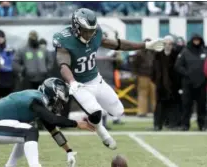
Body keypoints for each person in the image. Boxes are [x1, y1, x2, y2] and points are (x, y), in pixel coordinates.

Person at [53, 8, 164, 149]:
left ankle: (100, 124)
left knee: (118, 111)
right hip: (78, 84)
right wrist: (72, 82)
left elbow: (117, 44)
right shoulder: (64, 39)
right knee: (95, 111)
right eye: (86, 30)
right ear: (76, 27)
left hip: (96, 79)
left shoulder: (95, 33)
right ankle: (102, 132)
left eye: (92, 30)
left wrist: (145, 45)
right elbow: (63, 65)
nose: (90, 34)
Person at [0, 78, 94, 167]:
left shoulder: (39, 103)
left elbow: (53, 130)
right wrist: (78, 123)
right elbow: (54, 119)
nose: (60, 106)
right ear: (52, 95)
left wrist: (69, 151)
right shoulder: (35, 100)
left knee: (25, 134)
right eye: (59, 101)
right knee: (30, 131)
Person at [175, 34, 207, 131]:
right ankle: (185, 125)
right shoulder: (185, 51)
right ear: (192, 41)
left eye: (198, 40)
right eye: (195, 40)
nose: (196, 42)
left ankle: (202, 125)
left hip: (202, 83)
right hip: (188, 83)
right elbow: (178, 66)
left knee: (202, 106)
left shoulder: (205, 51)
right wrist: (187, 73)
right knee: (186, 105)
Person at [151, 35, 182, 131]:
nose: (168, 46)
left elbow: (179, 70)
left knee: (174, 106)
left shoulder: (177, 55)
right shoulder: (157, 55)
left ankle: (173, 124)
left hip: (174, 85)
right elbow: (153, 70)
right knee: (159, 106)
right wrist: (156, 81)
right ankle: (157, 125)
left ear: (172, 45)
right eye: (165, 44)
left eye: (170, 44)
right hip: (161, 85)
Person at [133, 38, 156, 117]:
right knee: (143, 94)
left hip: (154, 76)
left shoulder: (155, 53)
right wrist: (137, 74)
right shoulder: (139, 53)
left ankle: (156, 112)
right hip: (143, 76)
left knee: (155, 94)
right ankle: (142, 112)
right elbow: (134, 65)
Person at [0, 30, 15, 100]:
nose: (0, 39)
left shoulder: (10, 49)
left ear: (4, 38)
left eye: (1, 37)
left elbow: (14, 61)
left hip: (8, 77)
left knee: (8, 101)